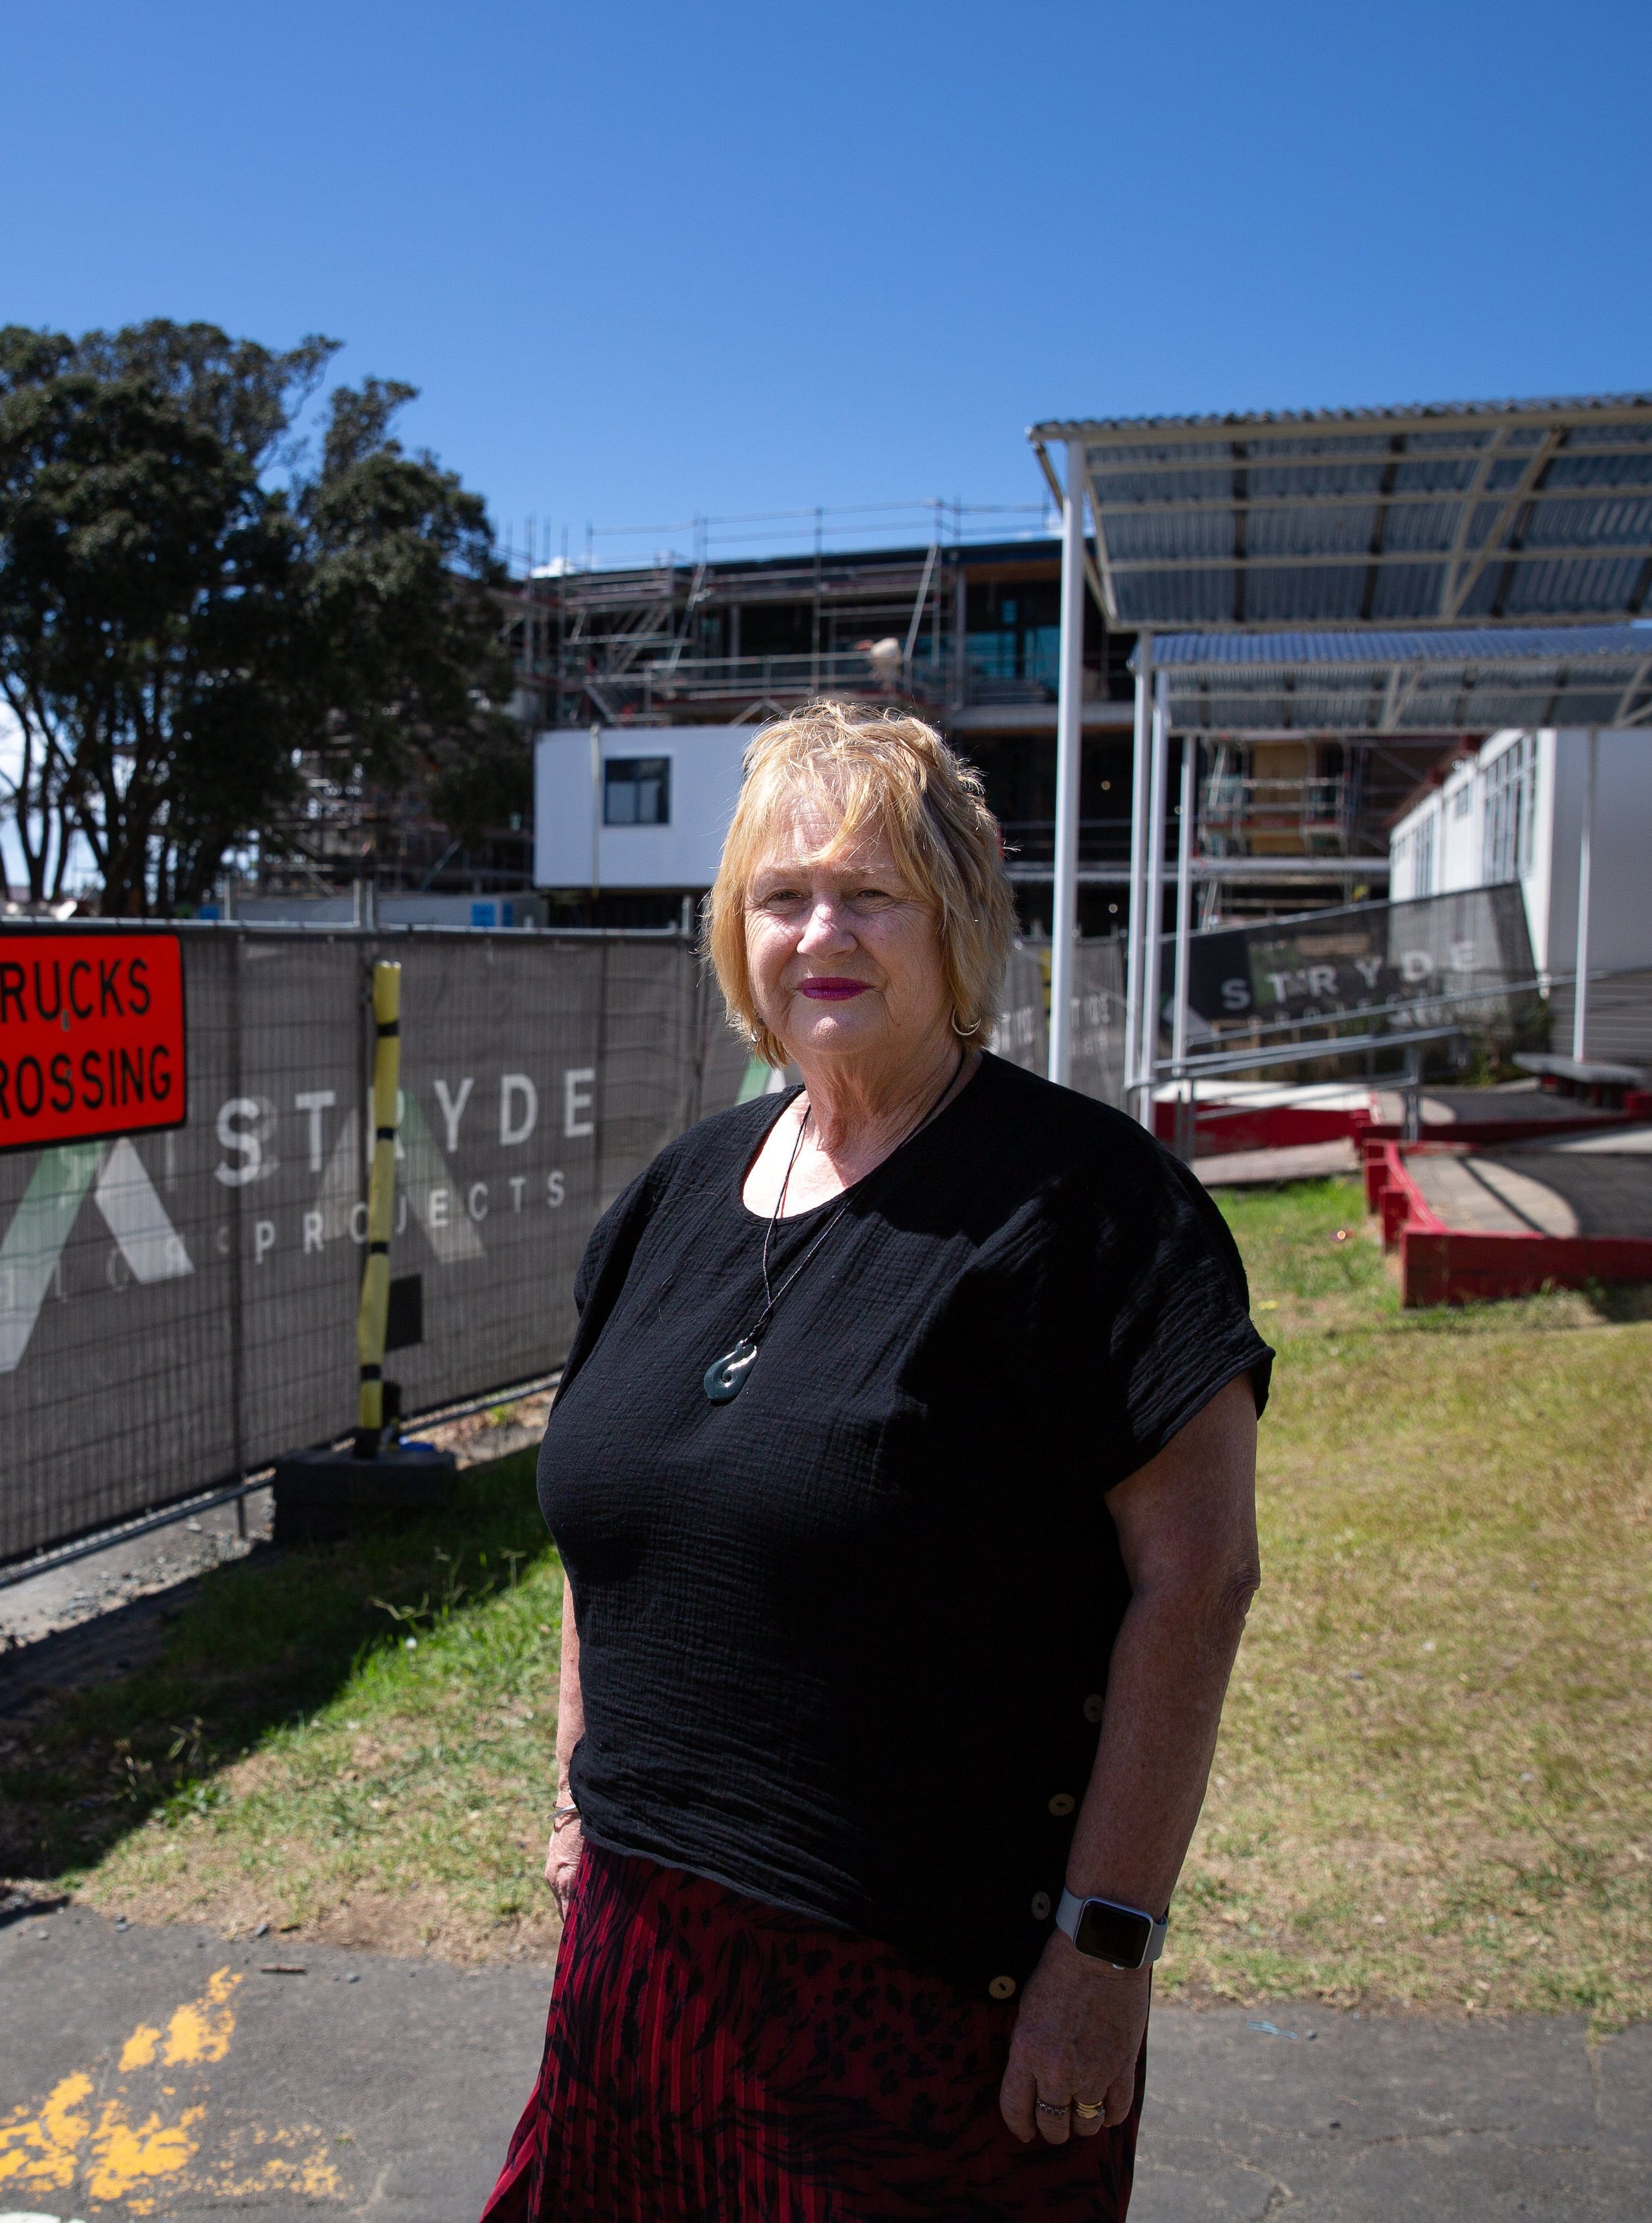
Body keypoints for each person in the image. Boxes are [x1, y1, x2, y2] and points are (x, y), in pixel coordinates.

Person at [486, 702, 1269, 2220]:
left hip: (923, 1999)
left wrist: (1105, 1949)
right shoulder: (678, 1191)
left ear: (956, 918)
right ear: (736, 933)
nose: (820, 930)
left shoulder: (1089, 1208)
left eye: (871, 893)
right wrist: (583, 1803)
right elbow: (608, 1524)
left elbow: (1198, 1578)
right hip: (642, 1955)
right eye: (782, 896)